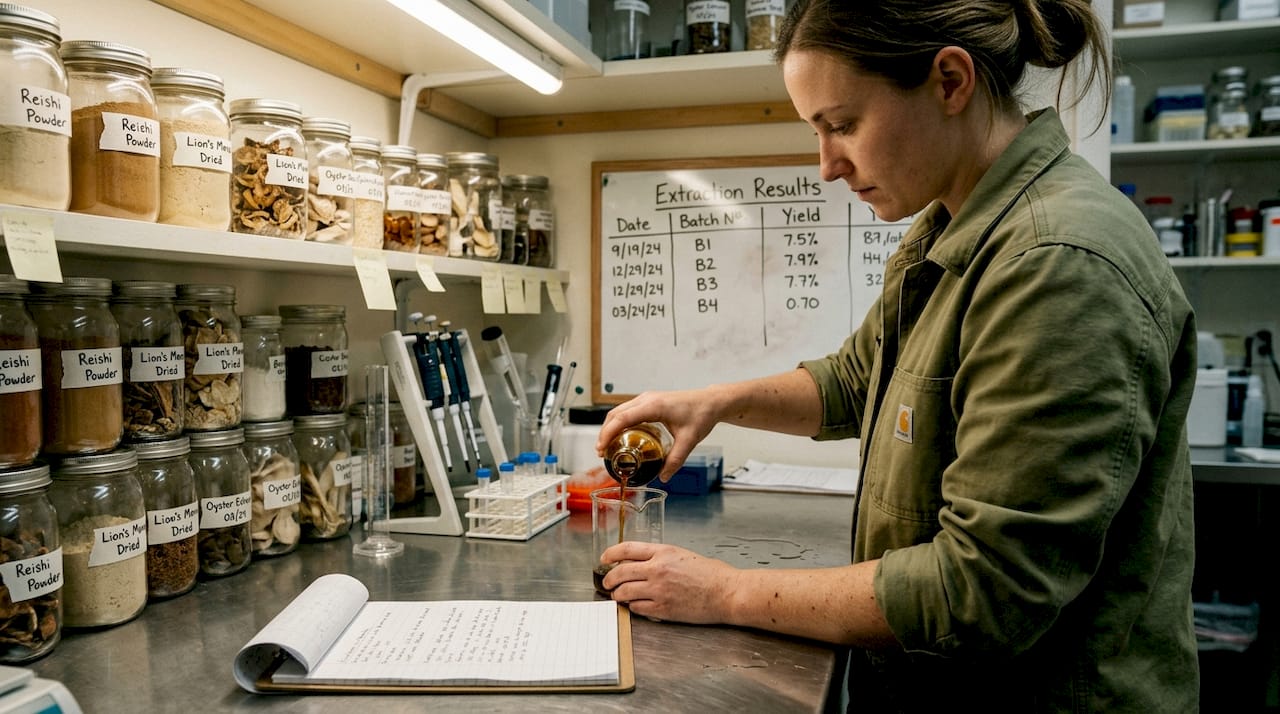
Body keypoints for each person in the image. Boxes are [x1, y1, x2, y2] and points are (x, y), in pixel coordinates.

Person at [594, 0, 1200, 710]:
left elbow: (981, 590)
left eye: (843, 125)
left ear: (949, 81)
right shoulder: (953, 222)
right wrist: (714, 402)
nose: (826, 166)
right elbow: (858, 380)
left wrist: (724, 591)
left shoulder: (1056, 262)